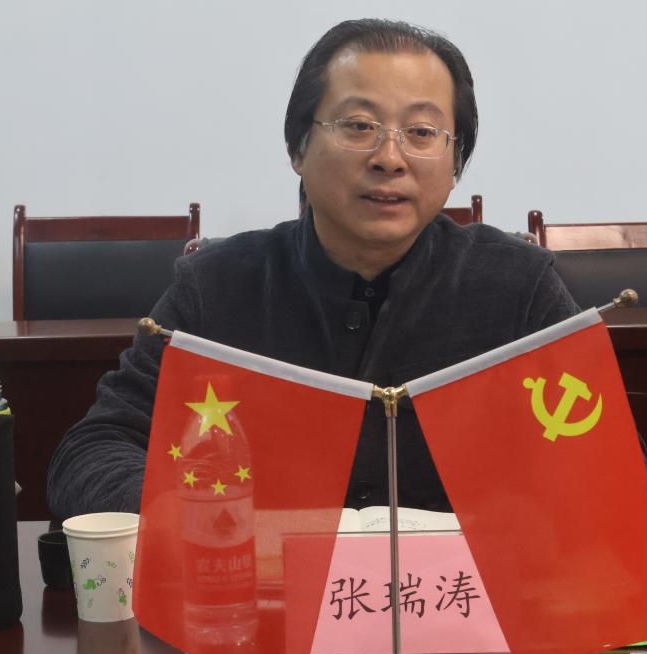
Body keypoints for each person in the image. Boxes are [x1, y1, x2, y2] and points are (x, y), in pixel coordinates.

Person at [47, 18, 579, 520]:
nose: (389, 157)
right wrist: (198, 519)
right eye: (359, 125)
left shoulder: (520, 289)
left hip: (461, 586)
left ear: (454, 162)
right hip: (259, 583)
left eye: (421, 132)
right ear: (297, 147)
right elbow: (95, 449)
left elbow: (597, 456)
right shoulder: (215, 287)